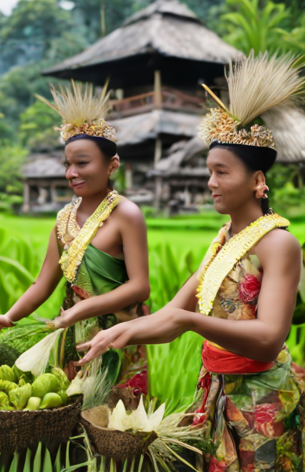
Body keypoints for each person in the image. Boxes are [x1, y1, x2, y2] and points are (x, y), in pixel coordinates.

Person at [75, 53, 305, 470]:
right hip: (216, 389)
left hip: (261, 399)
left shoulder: (278, 244)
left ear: (257, 181)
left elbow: (270, 337)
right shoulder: (224, 240)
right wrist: (120, 333)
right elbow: (170, 314)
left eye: (222, 173)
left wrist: (189, 323)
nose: (211, 183)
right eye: (209, 171)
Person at [0, 82, 150, 400]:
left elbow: (139, 287)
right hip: (71, 336)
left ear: (112, 164)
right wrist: (8, 317)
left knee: (115, 424)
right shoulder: (63, 219)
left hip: (117, 335)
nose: (71, 173)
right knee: (71, 415)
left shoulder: (126, 214)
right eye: (67, 165)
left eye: (82, 164)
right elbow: (43, 284)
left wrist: (82, 311)